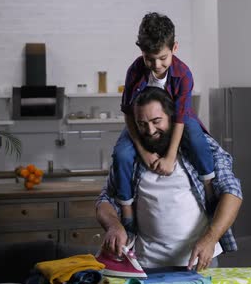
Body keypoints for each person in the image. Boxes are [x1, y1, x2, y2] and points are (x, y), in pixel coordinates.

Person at [97, 87, 242, 271]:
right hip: (146, 266)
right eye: (142, 124)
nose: (150, 130)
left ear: (173, 119)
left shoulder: (201, 149)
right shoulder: (129, 158)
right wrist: (114, 226)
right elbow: (105, 200)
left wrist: (211, 238)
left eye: (157, 121)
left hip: (201, 262)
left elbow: (232, 192)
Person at [113, 12, 216, 235]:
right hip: (141, 122)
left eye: (162, 58)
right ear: (141, 51)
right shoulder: (135, 71)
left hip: (179, 118)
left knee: (198, 139)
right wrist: (144, 153)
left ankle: (209, 188)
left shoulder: (183, 74)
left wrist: (170, 157)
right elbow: (129, 114)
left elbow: (181, 118)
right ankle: (127, 209)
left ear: (174, 48)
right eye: (149, 59)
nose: (156, 65)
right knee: (121, 154)